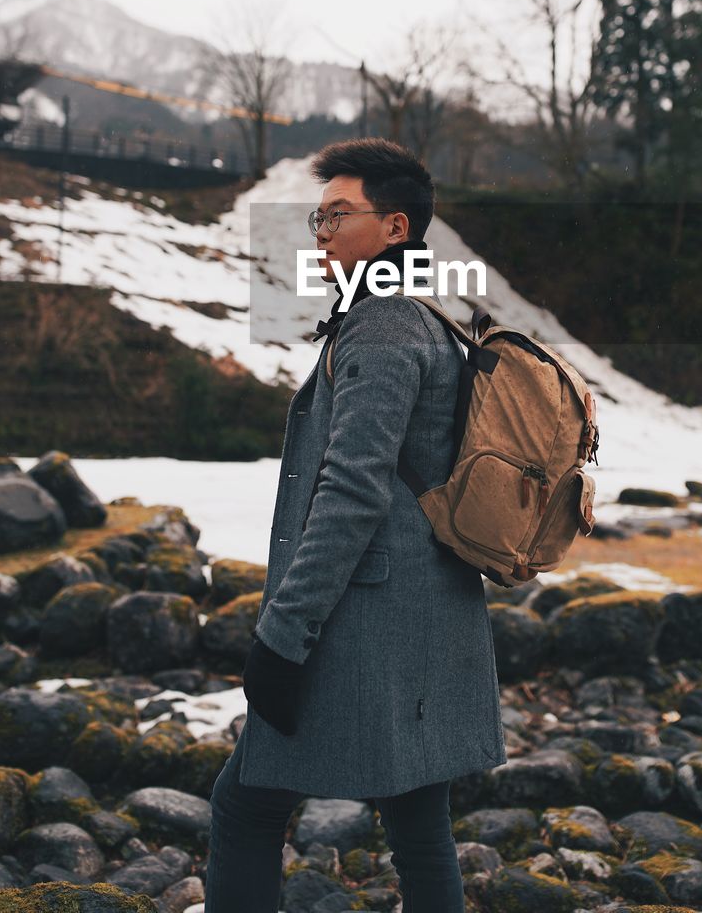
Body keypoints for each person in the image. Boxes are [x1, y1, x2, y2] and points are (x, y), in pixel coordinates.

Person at [206, 136, 506, 912]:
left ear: (396, 227)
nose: (321, 231)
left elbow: (350, 491)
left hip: (362, 620)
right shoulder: (431, 319)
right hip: (428, 610)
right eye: (317, 215)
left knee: (247, 804)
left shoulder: (379, 326)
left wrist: (283, 631)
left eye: (338, 215)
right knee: (417, 821)